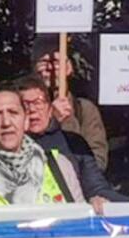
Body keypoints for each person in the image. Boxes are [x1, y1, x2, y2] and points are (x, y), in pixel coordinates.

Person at [0, 84, 106, 213]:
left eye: (13, 113)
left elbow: (80, 222)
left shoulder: (60, 165)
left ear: (25, 121)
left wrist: (95, 208)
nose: (6, 122)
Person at [16, 76, 129, 204]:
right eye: (25, 104)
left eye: (38, 103)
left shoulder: (73, 142)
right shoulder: (11, 147)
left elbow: (96, 187)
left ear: (49, 108)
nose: (32, 110)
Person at [34, 42, 111, 170]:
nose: (50, 67)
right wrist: (51, 121)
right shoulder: (21, 109)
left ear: (69, 67)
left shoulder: (85, 109)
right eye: (43, 62)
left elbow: (98, 159)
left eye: (56, 61)